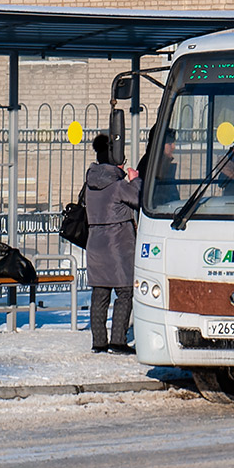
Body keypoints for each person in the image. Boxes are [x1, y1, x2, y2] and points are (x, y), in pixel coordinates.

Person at [85, 132, 140, 354]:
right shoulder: (118, 185)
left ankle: (99, 341)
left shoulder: (90, 182)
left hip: (95, 243)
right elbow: (139, 199)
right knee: (125, 291)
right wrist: (135, 179)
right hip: (118, 244)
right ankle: (118, 340)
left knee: (100, 292)